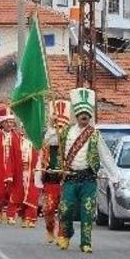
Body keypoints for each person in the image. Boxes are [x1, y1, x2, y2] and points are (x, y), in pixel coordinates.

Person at [57, 88, 121, 253]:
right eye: (81, 114)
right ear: (76, 116)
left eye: (87, 114)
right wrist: (52, 126)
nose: (84, 117)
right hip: (70, 177)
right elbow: (51, 143)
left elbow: (105, 156)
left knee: (87, 210)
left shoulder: (94, 135)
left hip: (88, 178)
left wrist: (114, 177)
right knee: (65, 209)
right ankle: (66, 234)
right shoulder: (65, 132)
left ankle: (86, 242)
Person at [38, 100, 70, 244]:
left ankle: (62, 235)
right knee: (49, 208)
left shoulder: (70, 138)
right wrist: (52, 126)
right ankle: (50, 229)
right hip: (50, 178)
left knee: (64, 210)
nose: (60, 128)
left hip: (65, 179)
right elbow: (50, 141)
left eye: (61, 125)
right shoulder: (48, 137)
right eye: (58, 125)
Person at [19, 125, 41, 228]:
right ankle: (24, 217)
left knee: (32, 195)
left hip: (34, 172)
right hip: (22, 173)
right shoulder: (19, 141)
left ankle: (31, 218)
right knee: (22, 195)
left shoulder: (38, 142)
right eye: (25, 128)